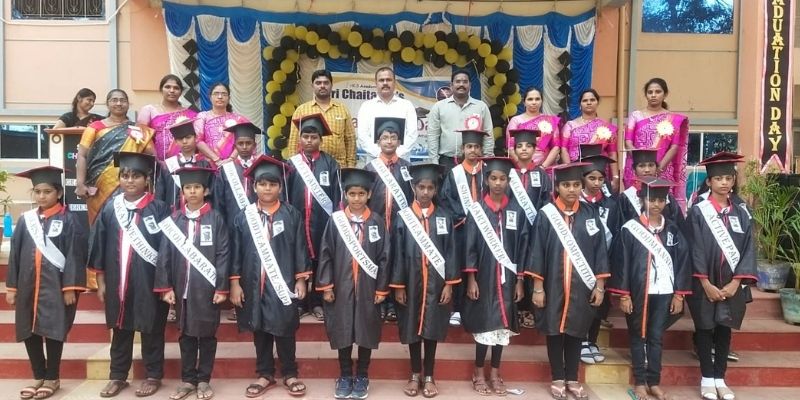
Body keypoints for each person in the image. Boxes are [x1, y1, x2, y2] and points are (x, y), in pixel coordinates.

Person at [88, 152, 170, 398]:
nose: (130, 180)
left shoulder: (159, 208)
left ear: (147, 179)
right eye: (125, 176)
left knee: (152, 329)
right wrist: (101, 281)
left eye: (136, 176)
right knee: (120, 329)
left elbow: (168, 250)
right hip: (118, 280)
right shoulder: (110, 208)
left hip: (150, 281)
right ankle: (118, 376)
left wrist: (166, 285)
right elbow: (99, 244)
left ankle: (153, 375)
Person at [526, 162, 609, 400]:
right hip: (553, 283)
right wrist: (538, 288)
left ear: (581, 186)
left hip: (582, 285)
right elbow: (537, 251)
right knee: (554, 329)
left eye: (575, 185)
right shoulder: (546, 215)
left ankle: (572, 377)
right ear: (557, 187)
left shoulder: (590, 214)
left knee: (576, 329)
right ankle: (557, 378)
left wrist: (600, 286)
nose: (571, 190)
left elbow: (600, 250)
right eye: (566, 185)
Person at [230, 155, 310, 398]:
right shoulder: (244, 216)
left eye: (273, 184)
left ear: (280, 187)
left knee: (285, 327)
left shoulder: (291, 214)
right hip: (253, 282)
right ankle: (264, 373)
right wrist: (235, 283)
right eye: (262, 184)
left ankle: (290, 373)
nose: (267, 188)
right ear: (254, 186)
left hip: (283, 281)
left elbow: (300, 248)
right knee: (260, 328)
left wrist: (301, 278)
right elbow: (235, 251)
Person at [6, 166, 87, 400]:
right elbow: (15, 254)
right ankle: (38, 375)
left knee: (53, 331)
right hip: (27, 285)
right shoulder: (26, 221)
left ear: (59, 193)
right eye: (38, 192)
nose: (42, 196)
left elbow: (75, 255)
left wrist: (70, 287)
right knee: (28, 330)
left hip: (56, 287)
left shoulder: (69, 220)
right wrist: (12, 287)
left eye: (47, 191)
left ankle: (52, 377)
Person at [608, 178, 691, 400]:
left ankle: (654, 382)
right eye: (651, 199)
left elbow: (682, 261)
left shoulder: (672, 229)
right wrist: (624, 294)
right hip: (638, 292)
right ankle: (640, 382)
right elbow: (622, 263)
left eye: (660, 200)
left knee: (656, 337)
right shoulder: (630, 229)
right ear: (642, 201)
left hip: (664, 292)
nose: (656, 204)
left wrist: (679, 294)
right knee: (638, 335)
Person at [154, 167, 230, 400]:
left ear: (205, 191)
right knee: (186, 335)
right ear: (182, 191)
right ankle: (188, 380)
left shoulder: (216, 219)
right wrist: (166, 287)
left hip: (207, 289)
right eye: (188, 187)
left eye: (197, 187)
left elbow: (223, 254)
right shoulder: (174, 219)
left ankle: (204, 380)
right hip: (181, 288)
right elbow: (165, 255)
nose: (193, 191)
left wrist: (221, 287)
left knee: (207, 335)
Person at [686, 153, 757, 400]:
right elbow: (694, 247)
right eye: (718, 179)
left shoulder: (742, 212)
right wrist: (705, 282)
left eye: (728, 178)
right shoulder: (698, 212)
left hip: (731, 285)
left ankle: (720, 379)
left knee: (725, 329)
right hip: (704, 283)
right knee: (705, 328)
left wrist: (736, 283)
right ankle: (707, 379)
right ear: (709, 182)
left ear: (733, 180)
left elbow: (748, 248)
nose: (724, 182)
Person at [316, 168, 390, 400]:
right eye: (352, 194)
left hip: (369, 287)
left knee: (367, 328)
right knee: (343, 328)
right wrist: (326, 285)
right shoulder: (336, 221)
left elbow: (385, 257)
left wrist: (381, 288)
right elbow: (326, 253)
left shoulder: (377, 222)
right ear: (345, 195)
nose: (356, 198)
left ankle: (363, 375)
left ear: (369, 194)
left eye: (361, 194)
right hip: (342, 285)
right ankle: (346, 374)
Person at [389, 163, 459, 398]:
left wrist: (449, 283)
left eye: (430, 188)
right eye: (421, 187)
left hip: (437, 284)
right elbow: (397, 254)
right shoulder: (403, 219)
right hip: (410, 282)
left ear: (436, 189)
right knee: (412, 328)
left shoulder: (444, 217)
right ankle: (414, 374)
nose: (426, 192)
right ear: (413, 188)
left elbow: (451, 252)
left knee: (432, 328)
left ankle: (429, 375)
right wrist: (398, 285)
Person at [461, 157, 528, 396]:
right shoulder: (477, 210)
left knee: (502, 327)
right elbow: (469, 246)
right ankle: (479, 371)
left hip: (508, 279)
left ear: (508, 181)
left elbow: (522, 247)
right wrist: (471, 279)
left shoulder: (516, 211)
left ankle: (495, 373)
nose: (498, 183)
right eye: (493, 178)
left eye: (502, 179)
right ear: (486, 180)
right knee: (485, 325)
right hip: (485, 276)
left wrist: (520, 280)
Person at [286, 113, 342, 321]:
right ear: (300, 138)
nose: (309, 141)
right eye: (305, 136)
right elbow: (284, 194)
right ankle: (300, 302)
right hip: (298, 221)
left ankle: (317, 302)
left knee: (321, 260)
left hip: (322, 222)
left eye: (314, 137)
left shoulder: (330, 164)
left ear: (321, 139)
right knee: (298, 259)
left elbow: (337, 195)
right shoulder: (291, 164)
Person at [76, 89, 155, 226]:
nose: (119, 103)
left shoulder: (138, 129)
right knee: (100, 226)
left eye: (122, 100)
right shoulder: (95, 127)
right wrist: (80, 183)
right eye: (114, 100)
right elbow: (82, 155)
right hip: (99, 185)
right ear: (107, 104)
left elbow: (152, 155)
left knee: (128, 225)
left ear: (128, 104)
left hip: (130, 184)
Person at [364, 117, 414, 322]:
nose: (389, 141)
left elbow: (411, 198)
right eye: (385, 137)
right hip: (376, 224)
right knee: (378, 260)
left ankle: (393, 303)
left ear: (399, 142)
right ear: (378, 141)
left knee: (396, 260)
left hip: (399, 225)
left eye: (393, 137)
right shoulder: (370, 168)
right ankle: (380, 300)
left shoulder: (407, 168)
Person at [439, 129, 489, 327]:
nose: (473, 150)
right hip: (462, 228)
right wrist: (463, 216)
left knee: (483, 266)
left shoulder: (488, 172)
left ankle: (482, 306)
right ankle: (458, 308)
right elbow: (446, 199)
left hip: (486, 229)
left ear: (481, 149)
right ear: (462, 149)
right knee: (460, 265)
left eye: (476, 147)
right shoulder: (455, 173)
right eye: (469, 146)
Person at [578, 147, 621, 364]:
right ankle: (580, 341)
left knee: (598, 303)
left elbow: (616, 232)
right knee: (581, 302)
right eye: (592, 178)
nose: (596, 183)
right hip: (579, 261)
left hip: (604, 263)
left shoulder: (611, 204)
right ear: (583, 178)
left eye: (600, 179)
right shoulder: (576, 202)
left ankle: (592, 340)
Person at [507, 129, 552, 330]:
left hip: (535, 230)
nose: (523, 149)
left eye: (528, 146)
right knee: (513, 266)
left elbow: (546, 201)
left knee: (532, 267)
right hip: (513, 230)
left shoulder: (541, 175)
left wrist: (539, 224)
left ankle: (529, 310)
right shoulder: (509, 174)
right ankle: (513, 310)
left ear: (535, 149)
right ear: (514, 149)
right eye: (519, 146)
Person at [623, 78, 689, 210]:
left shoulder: (672, 118)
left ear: (665, 94)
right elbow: (628, 141)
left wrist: (659, 168)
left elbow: (675, 146)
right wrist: (640, 164)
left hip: (663, 169)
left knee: (661, 205)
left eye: (658, 92)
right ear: (646, 95)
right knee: (635, 205)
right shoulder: (636, 115)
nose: (653, 95)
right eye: (650, 92)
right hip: (638, 170)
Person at [288, 69, 357, 167]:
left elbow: (350, 140)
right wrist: (294, 166)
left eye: (326, 83)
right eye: (318, 83)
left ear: (331, 85)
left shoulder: (342, 109)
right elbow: (293, 141)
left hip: (338, 166)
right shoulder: (301, 110)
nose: (322, 86)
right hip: (309, 167)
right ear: (312, 86)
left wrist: (350, 166)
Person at [427, 69, 494, 169]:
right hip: (447, 161)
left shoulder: (481, 107)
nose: (461, 84)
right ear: (451, 85)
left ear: (470, 85)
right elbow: (433, 135)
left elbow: (488, 134)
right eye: (458, 81)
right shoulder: (439, 107)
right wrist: (434, 162)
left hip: (474, 161)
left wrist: (487, 159)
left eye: (465, 82)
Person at [560, 89, 618, 190]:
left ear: (597, 102)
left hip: (599, 173)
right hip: (576, 171)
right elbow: (564, 149)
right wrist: (570, 171)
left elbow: (612, 153)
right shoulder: (570, 125)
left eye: (592, 100)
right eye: (585, 100)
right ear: (580, 104)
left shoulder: (606, 127)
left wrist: (615, 176)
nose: (589, 103)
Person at [356, 67, 418, 161]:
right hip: (375, 162)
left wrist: (396, 155)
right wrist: (381, 155)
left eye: (388, 80)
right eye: (381, 80)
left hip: (401, 161)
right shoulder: (366, 106)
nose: (385, 83)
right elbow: (363, 136)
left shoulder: (407, 105)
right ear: (376, 83)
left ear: (394, 83)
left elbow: (412, 134)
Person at [137, 74, 198, 161]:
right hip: (157, 162)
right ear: (161, 89)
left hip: (185, 162)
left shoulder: (191, 114)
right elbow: (142, 137)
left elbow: (196, 139)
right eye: (167, 87)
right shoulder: (149, 110)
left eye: (176, 88)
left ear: (181, 92)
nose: (172, 90)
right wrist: (157, 160)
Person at [619, 149, 685, 227]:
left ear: (656, 167)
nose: (647, 170)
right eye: (641, 166)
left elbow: (679, 225)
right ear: (634, 169)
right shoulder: (626, 198)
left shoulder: (667, 197)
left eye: (651, 165)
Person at [212, 121, 260, 228]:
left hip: (259, 224)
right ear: (235, 146)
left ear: (254, 145)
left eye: (248, 143)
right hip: (232, 223)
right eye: (240, 143)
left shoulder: (261, 167)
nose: (244, 147)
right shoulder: (226, 170)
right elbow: (219, 202)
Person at [158, 118, 213, 211]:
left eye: (188, 137)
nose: (184, 142)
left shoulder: (205, 164)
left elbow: (211, 193)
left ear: (195, 138)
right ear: (175, 141)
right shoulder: (168, 165)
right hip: (172, 214)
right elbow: (160, 193)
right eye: (180, 139)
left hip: (200, 214)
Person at [194, 82, 249, 165]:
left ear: (229, 98)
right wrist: (216, 159)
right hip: (207, 164)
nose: (220, 97)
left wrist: (231, 159)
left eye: (224, 94)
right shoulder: (203, 116)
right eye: (216, 94)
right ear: (210, 97)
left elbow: (244, 140)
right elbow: (198, 140)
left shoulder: (238, 119)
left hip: (232, 164)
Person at [506, 87, 560, 168]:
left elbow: (556, 147)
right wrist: (524, 166)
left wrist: (543, 167)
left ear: (541, 101)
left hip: (546, 167)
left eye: (537, 99)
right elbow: (511, 148)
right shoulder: (516, 121)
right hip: (521, 168)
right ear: (524, 102)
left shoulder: (549, 120)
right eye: (530, 99)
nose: (534, 102)